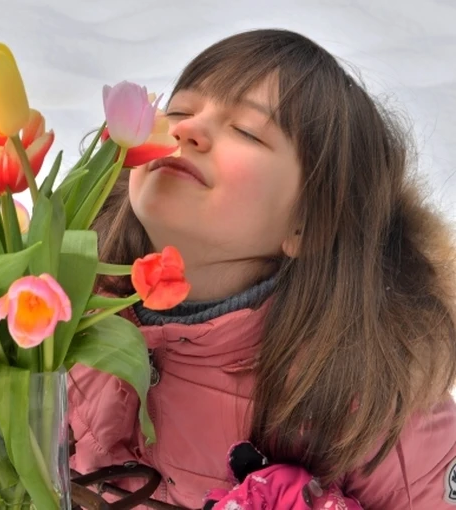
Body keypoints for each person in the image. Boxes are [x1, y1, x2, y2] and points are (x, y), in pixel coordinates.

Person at [68, 28, 456, 509]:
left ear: (306, 224)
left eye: (247, 131)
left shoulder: (369, 392)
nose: (187, 130)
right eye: (180, 111)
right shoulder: (61, 315)